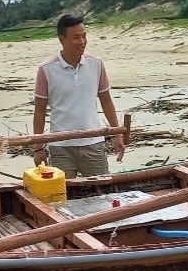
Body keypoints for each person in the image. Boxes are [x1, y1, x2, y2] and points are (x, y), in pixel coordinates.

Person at [32, 14, 126, 178]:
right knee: (63, 196)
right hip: (61, 146)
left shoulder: (96, 64)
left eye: (84, 36)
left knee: (101, 193)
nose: (82, 42)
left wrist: (117, 134)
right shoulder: (46, 70)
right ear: (62, 39)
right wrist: (38, 149)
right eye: (76, 37)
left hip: (93, 143)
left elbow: (106, 101)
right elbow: (39, 111)